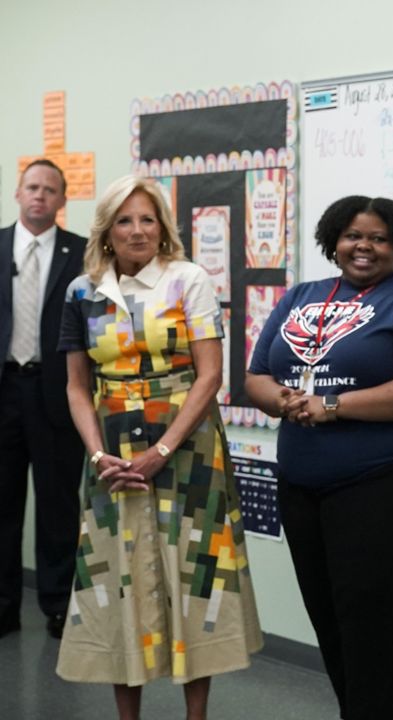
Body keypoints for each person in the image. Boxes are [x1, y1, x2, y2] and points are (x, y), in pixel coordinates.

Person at [244, 195, 393, 720]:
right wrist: (284, 401)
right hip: (303, 487)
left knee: (373, 625)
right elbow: (256, 375)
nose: (363, 246)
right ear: (333, 241)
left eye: (380, 238)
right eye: (353, 235)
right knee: (332, 621)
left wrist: (333, 406)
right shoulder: (302, 295)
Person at [55, 175, 262, 720]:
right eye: (125, 220)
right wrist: (100, 456)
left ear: (163, 226)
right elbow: (77, 386)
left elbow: (210, 375)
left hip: (188, 450)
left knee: (195, 576)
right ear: (106, 230)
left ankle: (197, 716)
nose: (138, 230)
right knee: (118, 575)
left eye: (148, 219)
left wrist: (163, 450)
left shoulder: (186, 278)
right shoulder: (83, 291)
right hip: (112, 452)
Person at [0, 159, 87, 640]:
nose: (40, 196)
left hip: (57, 393)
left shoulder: (84, 254)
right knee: (2, 505)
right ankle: (3, 605)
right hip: (3, 391)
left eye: (50, 189)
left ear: (61, 199)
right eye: (32, 187)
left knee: (58, 505)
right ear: (18, 193)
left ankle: (57, 604)